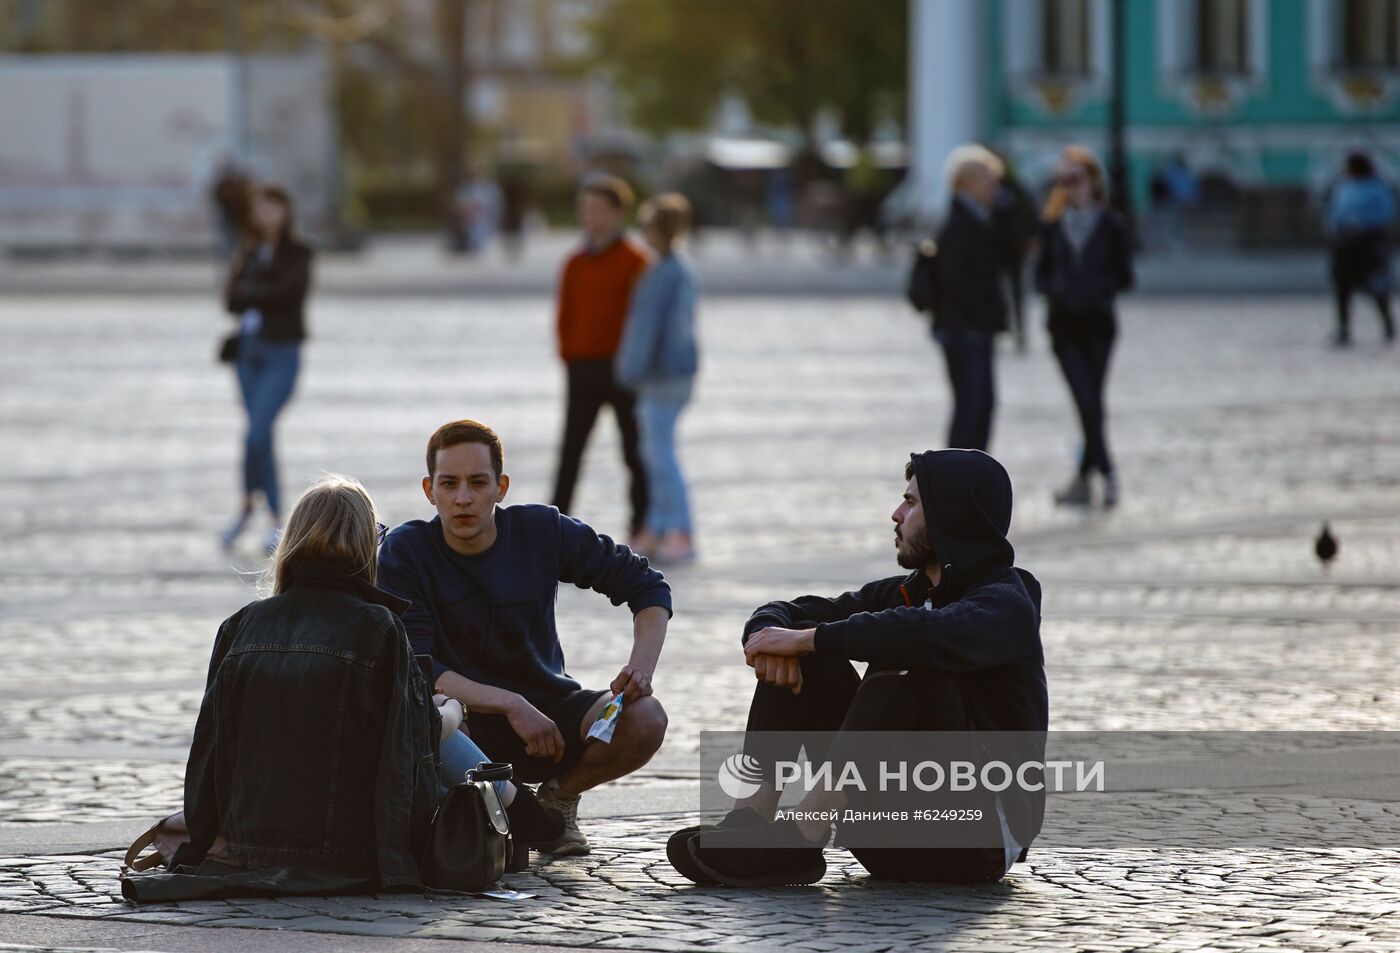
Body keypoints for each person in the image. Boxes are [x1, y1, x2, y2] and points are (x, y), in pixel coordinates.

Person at [146, 476, 562, 900]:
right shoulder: (376, 627)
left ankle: (530, 816)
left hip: (248, 842)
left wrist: (202, 840)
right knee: (438, 727)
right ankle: (528, 817)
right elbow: (411, 747)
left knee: (422, 714)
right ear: (365, 545)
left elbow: (207, 752)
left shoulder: (240, 625)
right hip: (348, 849)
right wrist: (453, 710)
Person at [666, 450, 1047, 887]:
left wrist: (805, 638)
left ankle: (803, 832)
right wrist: (772, 636)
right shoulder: (908, 592)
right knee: (817, 641)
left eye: (911, 503)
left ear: (950, 516)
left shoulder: (1007, 601)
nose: (896, 514)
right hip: (885, 827)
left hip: (972, 841)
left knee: (904, 648)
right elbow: (791, 612)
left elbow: (927, 633)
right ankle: (751, 820)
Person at [378, 420, 672, 856]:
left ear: (501, 486)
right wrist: (511, 704)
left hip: (554, 713)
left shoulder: (542, 530)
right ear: (429, 489)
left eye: (478, 483)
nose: (463, 498)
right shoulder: (406, 551)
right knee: (427, 726)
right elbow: (420, 670)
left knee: (646, 718)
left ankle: (559, 796)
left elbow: (648, 588)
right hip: (465, 725)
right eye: (449, 483)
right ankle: (503, 815)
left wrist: (640, 670)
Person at [550, 175, 652, 545]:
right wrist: (569, 354)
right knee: (572, 449)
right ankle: (555, 523)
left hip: (623, 370)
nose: (591, 217)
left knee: (634, 451)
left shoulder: (636, 262)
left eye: (599, 209)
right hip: (582, 367)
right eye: (586, 210)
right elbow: (565, 315)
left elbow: (644, 320)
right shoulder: (574, 262)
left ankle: (642, 524)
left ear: (617, 213)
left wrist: (635, 363)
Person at [1034, 146, 1134, 508]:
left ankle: (1084, 480)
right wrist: (1060, 288)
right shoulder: (1051, 224)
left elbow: (1126, 276)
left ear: (1092, 181)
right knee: (1087, 400)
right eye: (1063, 180)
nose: (1069, 186)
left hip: (1099, 325)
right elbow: (1039, 276)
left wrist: (1098, 286)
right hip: (1063, 328)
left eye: (1075, 179)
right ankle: (1105, 475)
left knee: (1091, 402)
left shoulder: (1112, 225)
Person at [218, 185, 312, 554]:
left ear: (286, 211)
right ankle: (264, 517)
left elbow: (290, 294)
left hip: (281, 354)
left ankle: (260, 514)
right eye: (262, 208)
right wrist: (258, 290)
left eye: (274, 207)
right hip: (247, 354)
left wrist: (254, 291)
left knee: (256, 435)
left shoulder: (299, 253)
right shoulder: (248, 250)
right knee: (261, 435)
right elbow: (230, 299)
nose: (268, 215)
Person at [615, 193, 700, 563]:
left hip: (663, 377)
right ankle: (657, 526)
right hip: (666, 375)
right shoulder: (671, 268)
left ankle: (679, 529)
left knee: (660, 456)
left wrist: (630, 369)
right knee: (653, 455)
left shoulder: (667, 272)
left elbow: (653, 330)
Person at [934, 145, 1009, 452]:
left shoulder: (979, 218)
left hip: (975, 327)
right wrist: (981, 313)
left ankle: (970, 474)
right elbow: (954, 280)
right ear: (968, 183)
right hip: (964, 329)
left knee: (981, 406)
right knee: (971, 406)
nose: (994, 187)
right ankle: (955, 477)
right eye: (988, 180)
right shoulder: (960, 222)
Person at [1327, 151, 1396, 347]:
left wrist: (1362, 224)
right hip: (1345, 242)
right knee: (1342, 287)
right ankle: (1343, 329)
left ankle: (1388, 326)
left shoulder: (1377, 187)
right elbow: (1335, 212)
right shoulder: (1345, 187)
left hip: (1368, 242)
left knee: (1376, 286)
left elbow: (1385, 213)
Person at [992, 161, 1038, 353]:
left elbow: (1030, 213)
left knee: (1017, 291)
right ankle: (998, 328)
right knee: (995, 292)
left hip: (1015, 248)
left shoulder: (1017, 190)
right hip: (994, 250)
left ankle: (1020, 330)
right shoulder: (991, 190)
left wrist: (1031, 237)